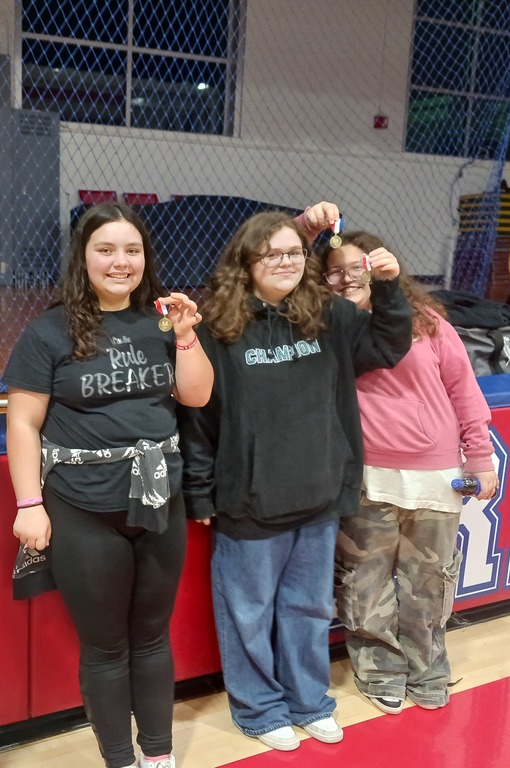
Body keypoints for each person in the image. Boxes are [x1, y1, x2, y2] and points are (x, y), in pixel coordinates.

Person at [178, 207, 413, 752]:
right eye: (271, 253)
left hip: (318, 493)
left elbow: (388, 343)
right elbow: (197, 416)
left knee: (308, 608)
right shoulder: (219, 326)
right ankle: (259, 710)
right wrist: (200, 488)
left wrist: (390, 285)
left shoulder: (328, 315)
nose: (284, 262)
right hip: (249, 498)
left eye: (292, 253)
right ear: (247, 261)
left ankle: (309, 701)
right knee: (249, 613)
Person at [3, 201, 213, 768]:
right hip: (82, 508)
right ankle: (120, 760)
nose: (120, 262)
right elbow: (22, 423)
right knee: (106, 646)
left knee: (151, 637)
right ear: (84, 257)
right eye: (106, 249)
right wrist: (29, 504)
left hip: (158, 501)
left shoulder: (164, 320)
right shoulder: (49, 330)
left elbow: (195, 396)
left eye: (132, 250)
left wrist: (189, 334)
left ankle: (159, 758)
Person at [323, 230, 499, 714]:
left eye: (354, 268)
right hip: (364, 479)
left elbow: (464, 390)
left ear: (379, 268)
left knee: (430, 583)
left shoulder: (427, 323)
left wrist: (479, 457)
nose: (343, 279)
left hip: (435, 479)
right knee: (364, 583)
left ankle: (428, 669)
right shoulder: (326, 329)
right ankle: (380, 670)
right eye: (333, 270)